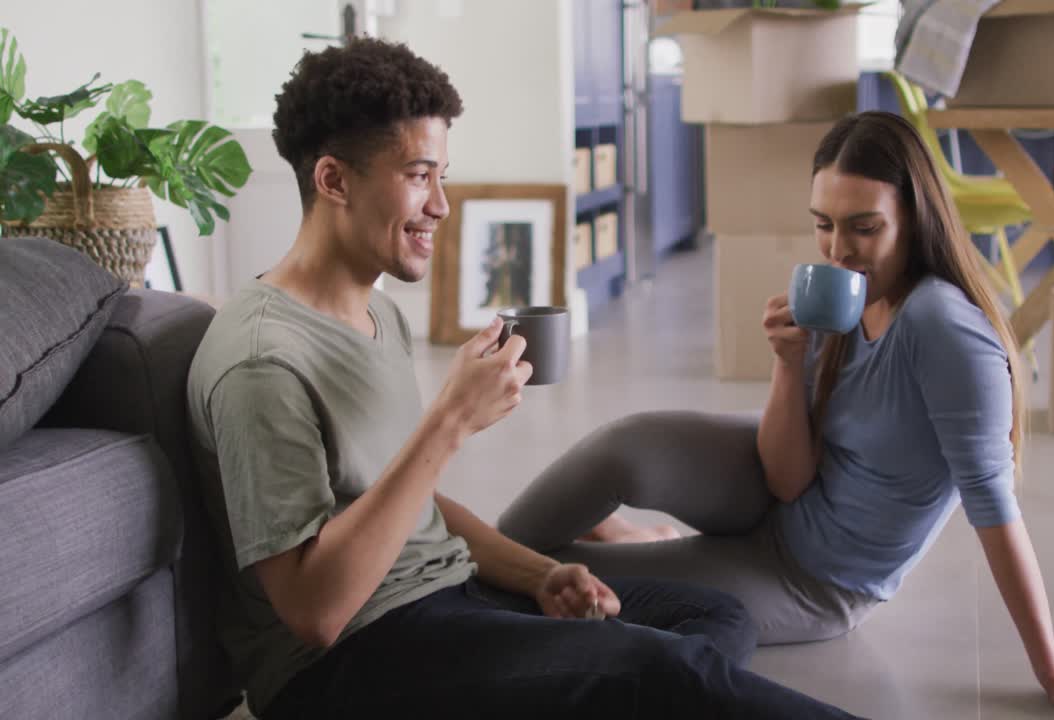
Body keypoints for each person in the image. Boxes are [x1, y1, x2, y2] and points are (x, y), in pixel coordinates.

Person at [186, 38, 862, 720]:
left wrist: (541, 573)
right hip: (350, 663)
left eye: (442, 175)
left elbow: (405, 504)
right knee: (659, 669)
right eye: (420, 175)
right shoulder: (261, 363)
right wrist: (449, 421)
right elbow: (315, 612)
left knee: (711, 614)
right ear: (333, 181)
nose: (442, 205)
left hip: (445, 599)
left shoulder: (377, 313)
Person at [498, 111, 1054, 720]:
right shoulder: (844, 296)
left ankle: (548, 561)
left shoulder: (946, 331)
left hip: (815, 579)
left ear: (915, 217)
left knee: (558, 585)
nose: (837, 250)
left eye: (864, 228)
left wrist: (1052, 670)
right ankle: (509, 554)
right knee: (624, 450)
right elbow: (788, 480)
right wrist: (789, 362)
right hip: (783, 501)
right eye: (823, 225)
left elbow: (996, 514)